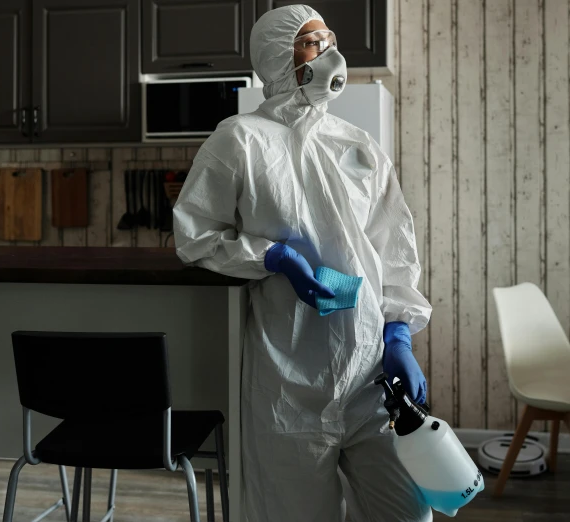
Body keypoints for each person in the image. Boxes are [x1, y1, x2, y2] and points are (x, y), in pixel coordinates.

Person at [173, 4, 433, 521]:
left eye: (330, 39)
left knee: (409, 513)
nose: (331, 54)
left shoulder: (358, 146)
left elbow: (395, 250)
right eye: (314, 43)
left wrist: (399, 335)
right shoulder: (239, 139)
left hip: (371, 376)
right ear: (277, 56)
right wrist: (271, 256)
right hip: (288, 384)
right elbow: (194, 234)